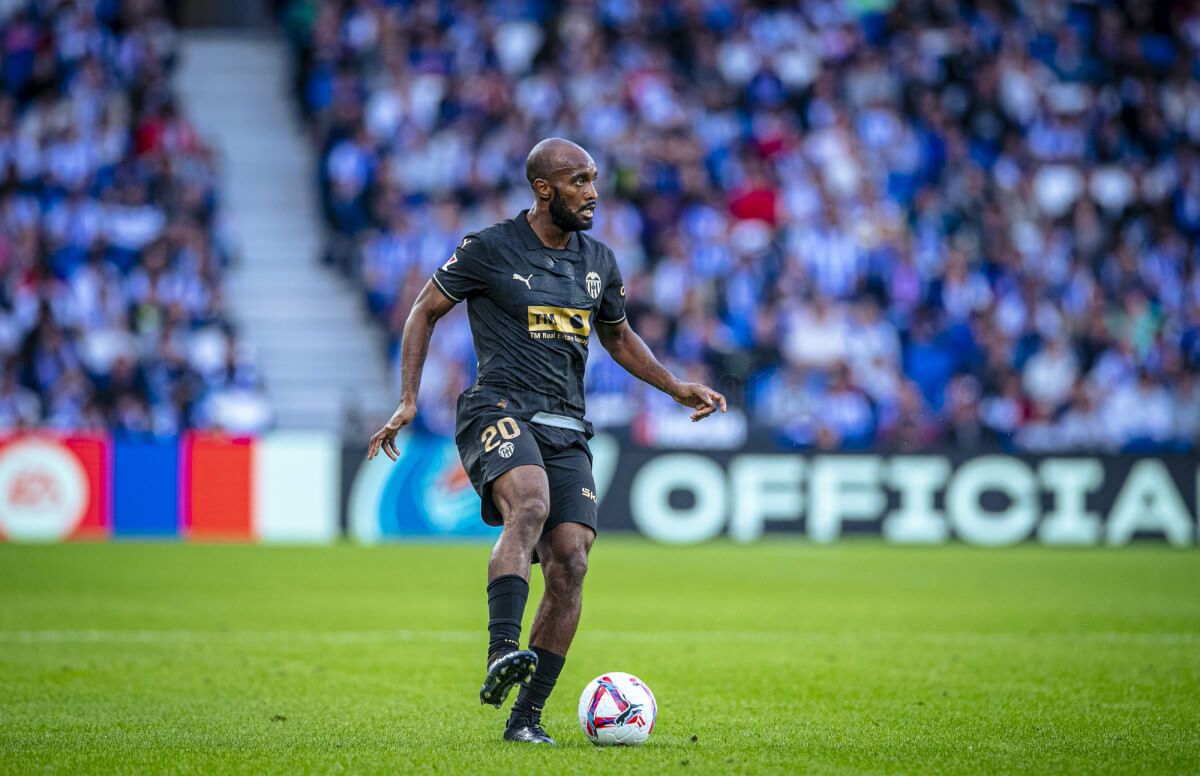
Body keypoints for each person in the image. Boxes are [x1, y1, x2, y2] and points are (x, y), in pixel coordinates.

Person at [367, 138, 726, 744]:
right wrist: (407, 399)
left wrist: (673, 387)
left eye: (593, 180)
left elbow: (617, 337)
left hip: (567, 422)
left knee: (571, 562)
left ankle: (526, 719)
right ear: (544, 189)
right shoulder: (488, 248)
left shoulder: (599, 261)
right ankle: (500, 651)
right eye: (579, 181)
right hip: (497, 407)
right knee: (529, 503)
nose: (592, 193)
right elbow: (423, 311)